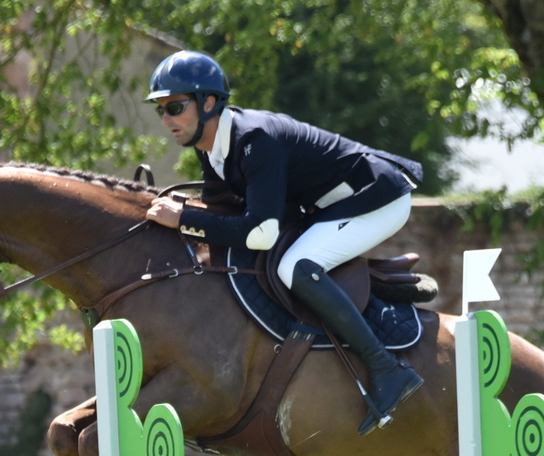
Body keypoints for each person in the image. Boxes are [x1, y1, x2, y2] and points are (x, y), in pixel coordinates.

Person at [143, 50, 425, 435]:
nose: (166, 120)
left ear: (208, 103)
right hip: (330, 205)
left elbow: (262, 233)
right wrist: (181, 215)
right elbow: (221, 209)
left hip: (376, 198)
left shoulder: (254, 140)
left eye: (175, 108)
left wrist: (185, 220)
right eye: (161, 110)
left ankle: (387, 368)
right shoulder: (210, 146)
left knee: (295, 266)